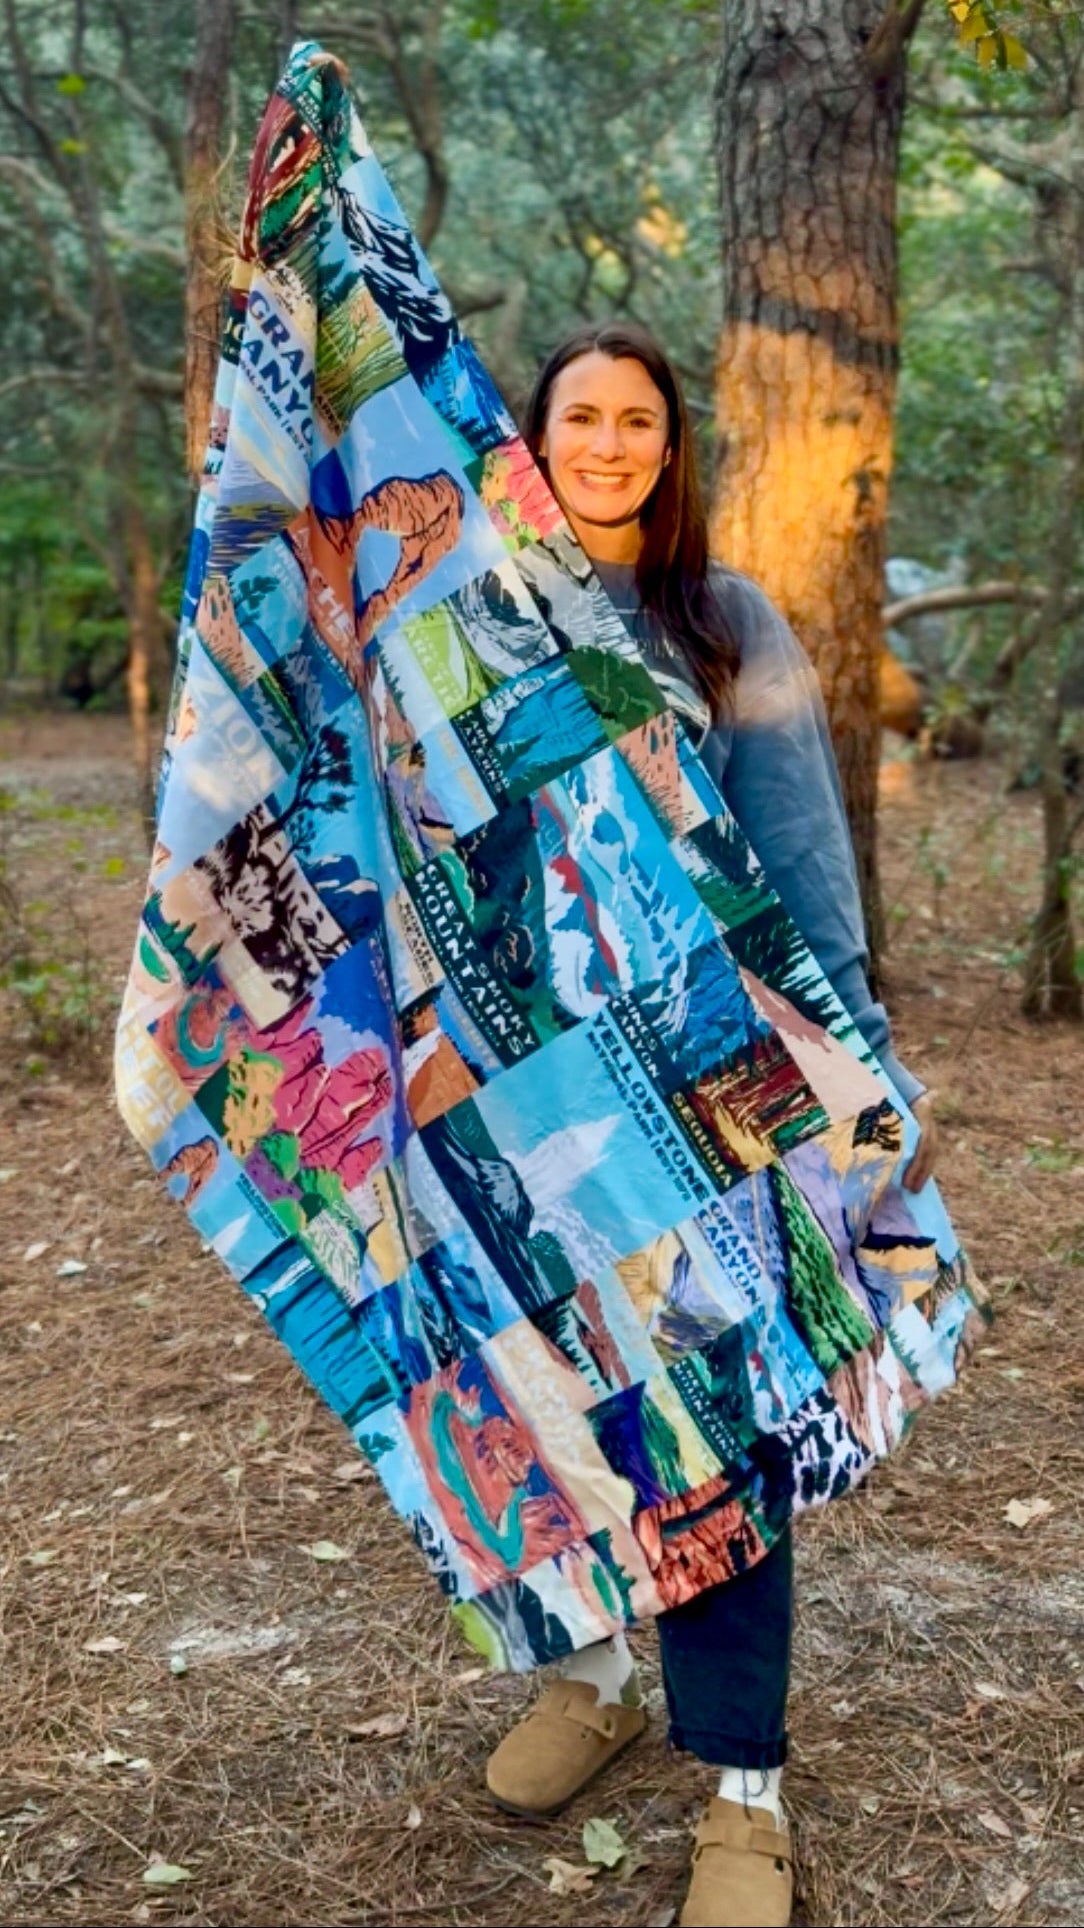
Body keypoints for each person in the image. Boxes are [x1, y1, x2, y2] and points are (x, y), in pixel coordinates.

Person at [482, 321, 939, 1928]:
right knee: (551, 1410)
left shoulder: (724, 621)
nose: (609, 444)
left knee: (714, 1424)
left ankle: (744, 1783)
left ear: (673, 451)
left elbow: (806, 865)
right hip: (523, 1097)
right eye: (580, 418)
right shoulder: (470, 620)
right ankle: (593, 1671)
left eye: (640, 422)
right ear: (531, 439)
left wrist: (862, 1081)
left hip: (713, 1090)